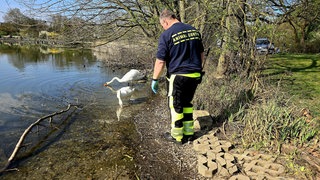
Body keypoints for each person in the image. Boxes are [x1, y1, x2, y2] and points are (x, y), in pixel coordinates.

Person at [151, 9, 204, 144]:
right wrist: (199, 69)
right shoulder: (194, 31)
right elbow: (201, 54)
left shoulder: (167, 35)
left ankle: (177, 136)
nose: (163, 27)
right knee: (187, 103)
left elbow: (160, 61)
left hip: (178, 76)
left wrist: (155, 79)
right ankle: (189, 133)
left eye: (162, 25)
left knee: (175, 106)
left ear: (165, 21)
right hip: (195, 74)